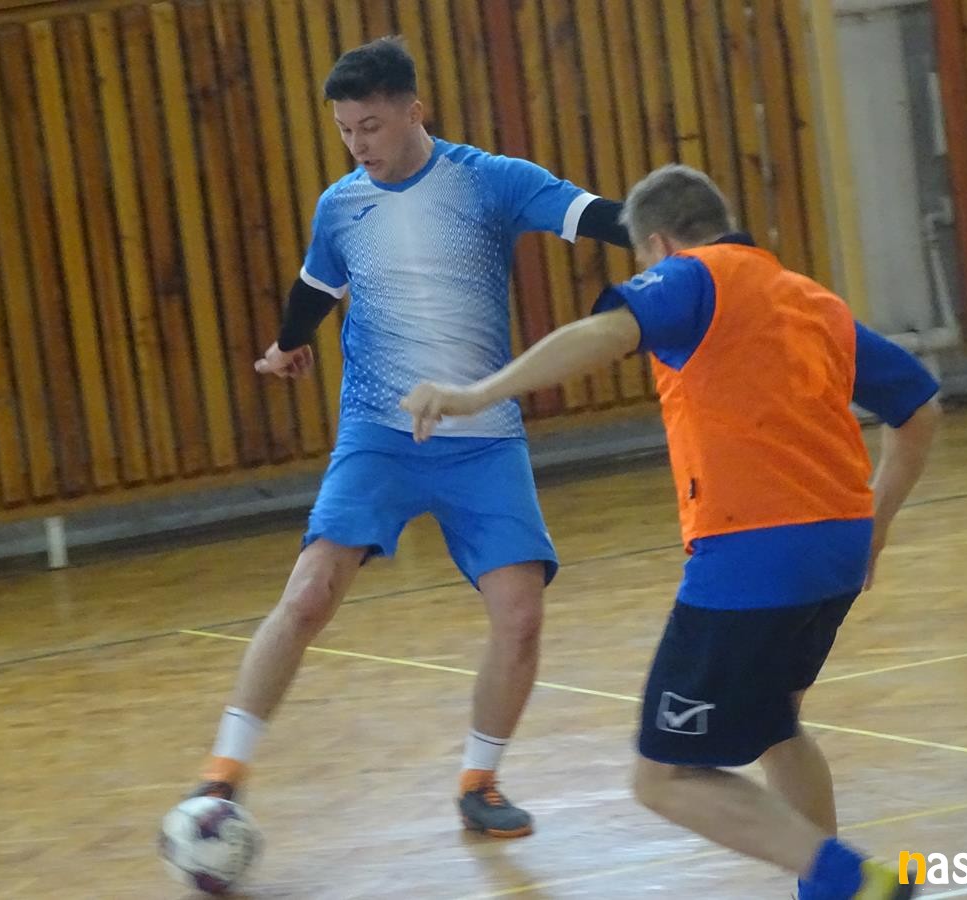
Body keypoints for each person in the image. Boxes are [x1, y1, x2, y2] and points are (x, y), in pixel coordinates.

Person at [401, 163, 940, 898]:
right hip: (837, 548)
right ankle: (830, 892)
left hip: (752, 552)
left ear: (657, 244)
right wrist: (878, 521)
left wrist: (475, 394)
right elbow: (920, 409)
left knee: (664, 776)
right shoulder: (809, 298)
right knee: (775, 727)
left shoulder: (692, 276)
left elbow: (605, 332)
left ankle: (851, 880)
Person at [184, 35, 633, 839]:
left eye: (371, 127)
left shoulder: (489, 181)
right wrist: (288, 345)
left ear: (413, 110)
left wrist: (687, 242)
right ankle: (221, 780)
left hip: (483, 440)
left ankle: (479, 783)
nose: (358, 145)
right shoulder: (341, 206)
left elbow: (596, 216)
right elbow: (316, 286)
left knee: (521, 617)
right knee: (309, 594)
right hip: (379, 435)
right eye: (344, 131)